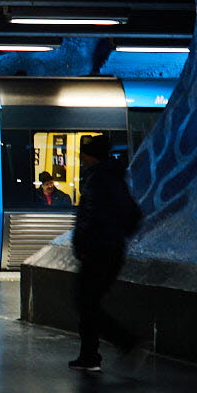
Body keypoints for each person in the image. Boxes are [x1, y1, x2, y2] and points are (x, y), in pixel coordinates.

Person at [69, 135, 142, 371]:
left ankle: (128, 343)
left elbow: (90, 215)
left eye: (83, 154)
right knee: (88, 303)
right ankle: (89, 357)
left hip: (97, 250)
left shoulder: (96, 179)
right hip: (112, 248)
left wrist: (82, 245)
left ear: (89, 155)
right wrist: (119, 236)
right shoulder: (115, 177)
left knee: (85, 303)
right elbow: (134, 214)